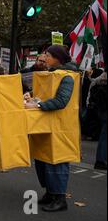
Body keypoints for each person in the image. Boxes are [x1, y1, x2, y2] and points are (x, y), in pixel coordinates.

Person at [25, 45, 78, 212]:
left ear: (57, 58)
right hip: (45, 125)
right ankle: (50, 193)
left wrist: (38, 104)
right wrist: (31, 97)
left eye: (47, 55)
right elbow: (45, 95)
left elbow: (61, 101)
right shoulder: (51, 75)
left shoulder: (67, 77)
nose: (44, 58)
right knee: (43, 160)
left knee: (57, 163)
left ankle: (60, 198)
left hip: (60, 128)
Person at [87, 70, 107, 170]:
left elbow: (91, 94)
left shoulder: (98, 81)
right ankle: (101, 160)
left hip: (101, 110)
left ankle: (101, 160)